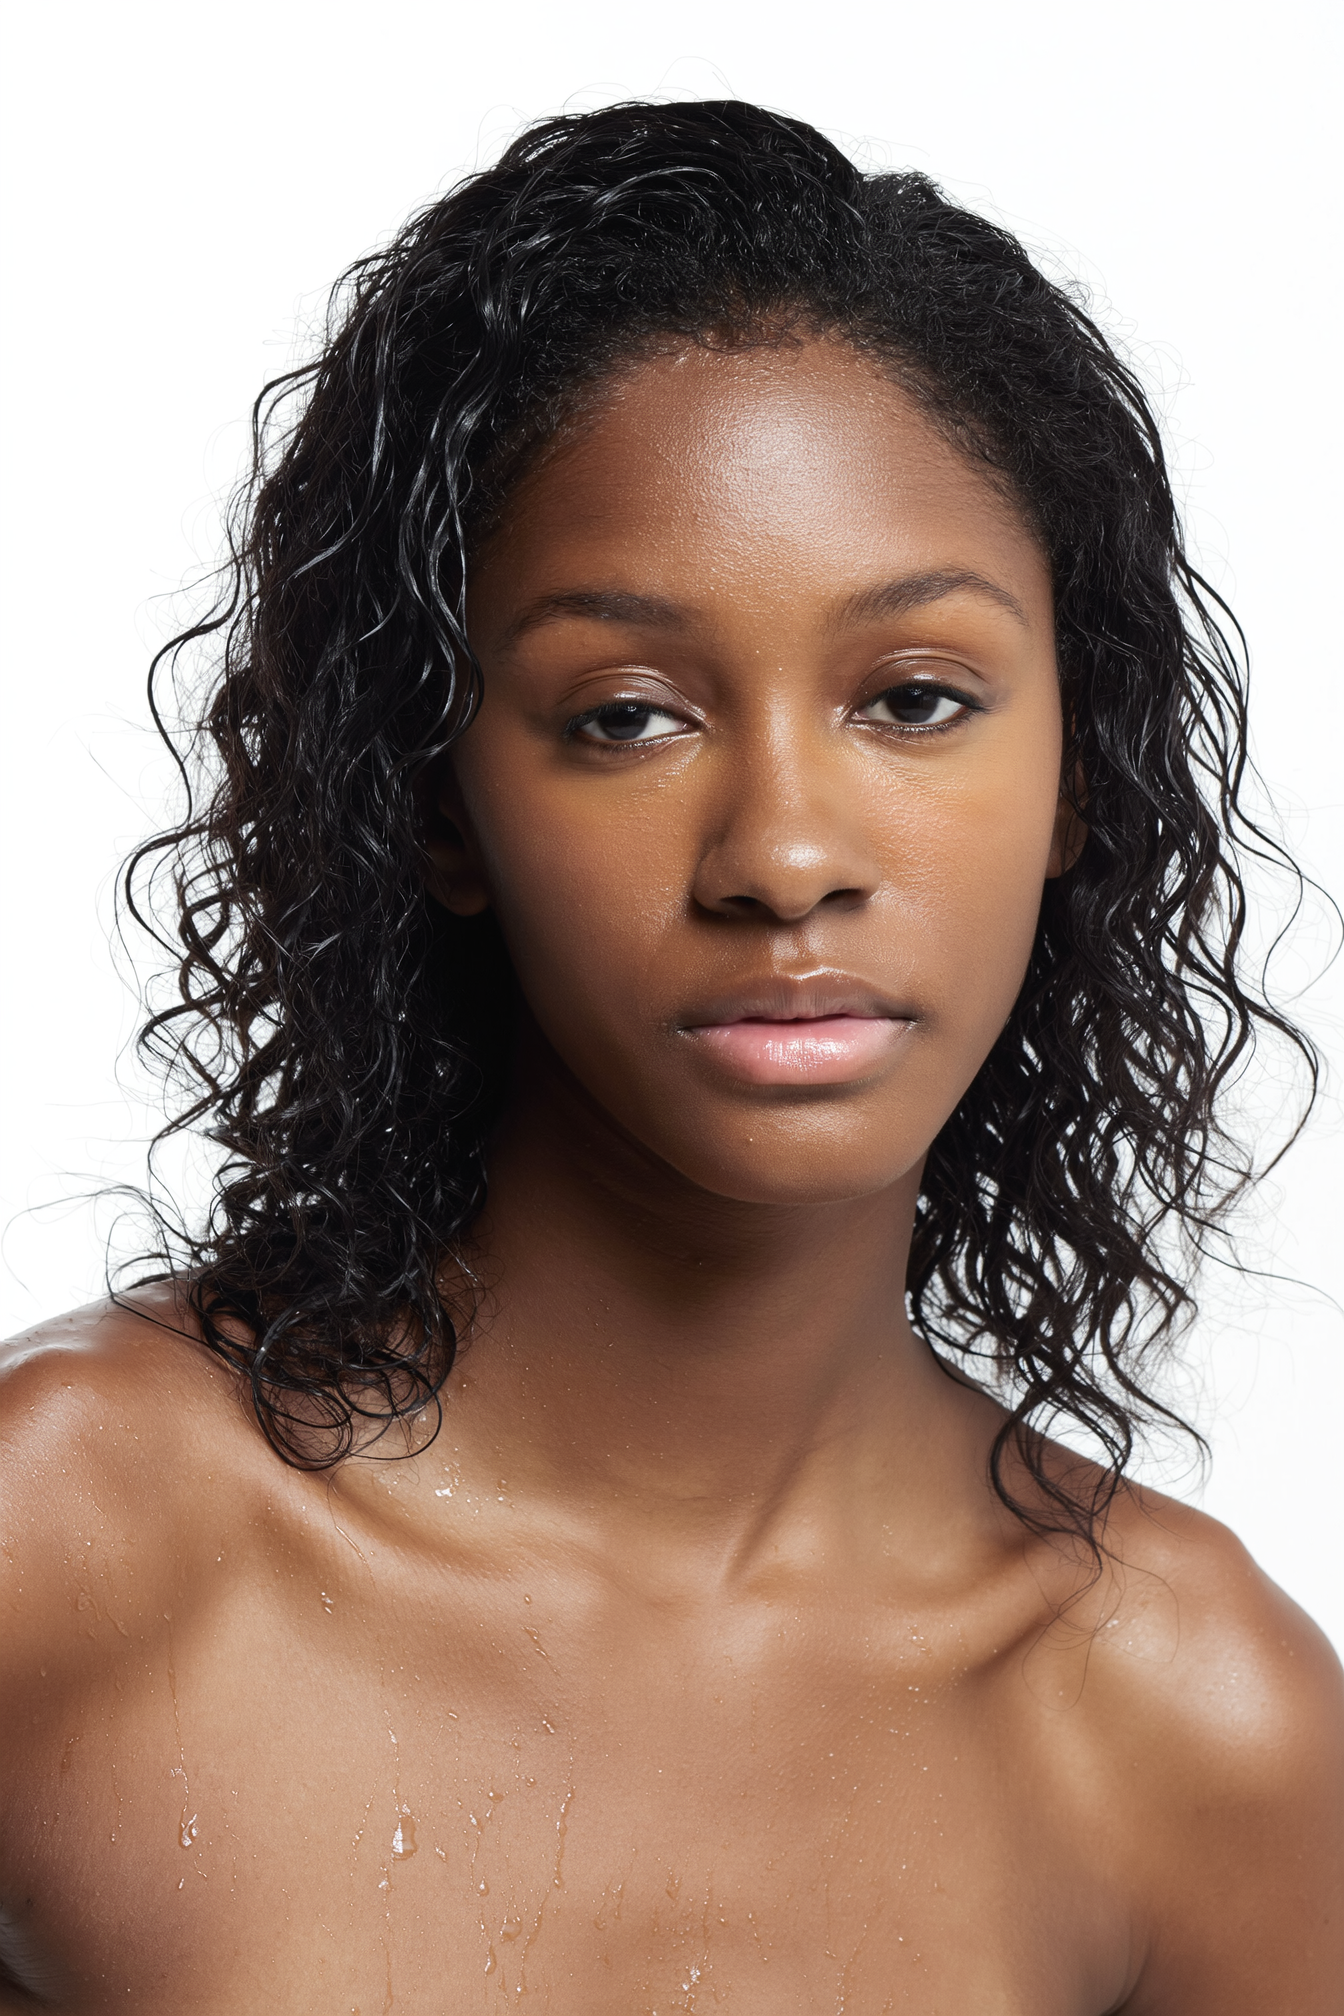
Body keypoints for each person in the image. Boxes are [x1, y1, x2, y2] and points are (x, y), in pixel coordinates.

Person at [1, 98, 1340, 2014]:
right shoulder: (65, 1549)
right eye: (626, 716)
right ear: (439, 802)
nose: (787, 851)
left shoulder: (1196, 1734)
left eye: (916, 698)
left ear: (1078, 771)